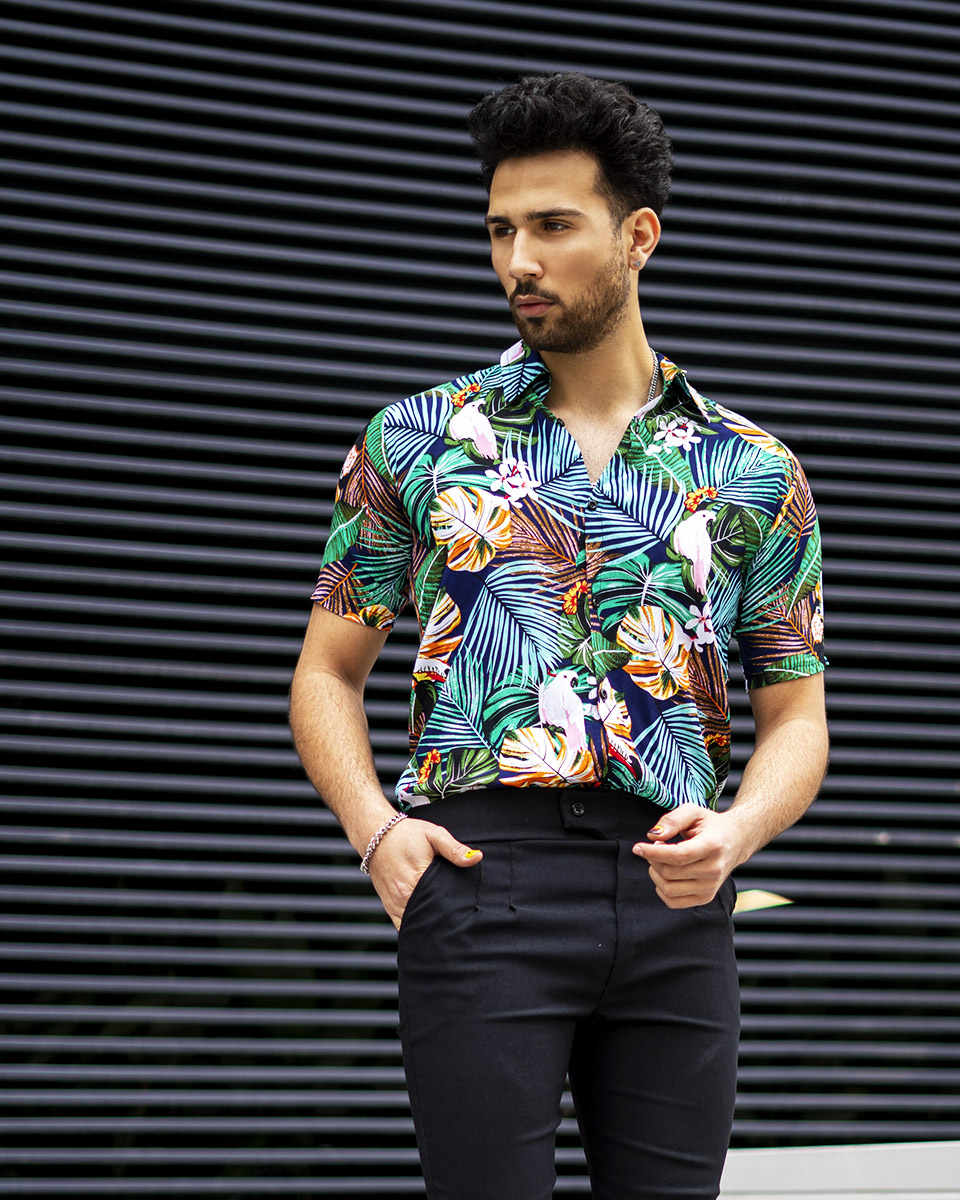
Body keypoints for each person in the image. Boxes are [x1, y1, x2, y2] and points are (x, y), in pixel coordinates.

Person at [289, 71, 828, 1200]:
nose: (517, 262)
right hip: (483, 880)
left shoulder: (753, 469)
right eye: (500, 230)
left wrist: (736, 835)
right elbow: (328, 673)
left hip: (675, 898)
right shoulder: (417, 440)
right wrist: (376, 834)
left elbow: (797, 716)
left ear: (638, 237)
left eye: (552, 226)